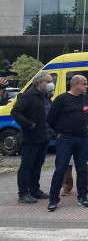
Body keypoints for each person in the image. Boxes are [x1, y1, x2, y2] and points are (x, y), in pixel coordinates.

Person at [46, 75, 88, 212]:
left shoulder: (87, 99)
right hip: (65, 139)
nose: (86, 86)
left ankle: (83, 197)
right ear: (75, 84)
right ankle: (53, 200)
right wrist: (61, 131)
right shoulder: (61, 99)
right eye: (84, 84)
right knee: (60, 169)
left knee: (82, 169)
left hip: (82, 138)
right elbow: (50, 118)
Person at [11, 73, 55, 204]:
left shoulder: (46, 96)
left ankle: (35, 190)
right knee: (27, 165)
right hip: (31, 137)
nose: (51, 84)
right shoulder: (28, 95)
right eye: (49, 81)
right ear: (39, 82)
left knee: (38, 164)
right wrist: (29, 124)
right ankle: (23, 193)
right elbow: (15, 111)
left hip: (44, 136)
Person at [60, 95, 88, 196]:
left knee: (85, 162)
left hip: (85, 133)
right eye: (83, 84)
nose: (86, 86)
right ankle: (67, 185)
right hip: (69, 134)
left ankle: (84, 186)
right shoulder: (65, 98)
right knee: (67, 162)